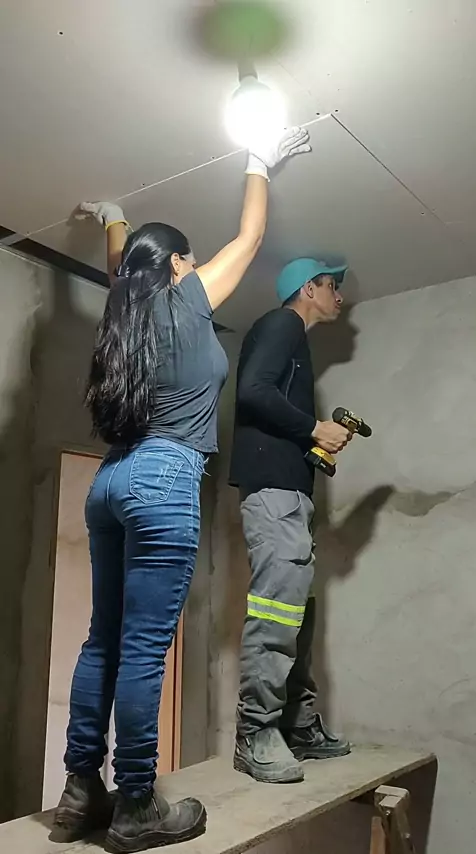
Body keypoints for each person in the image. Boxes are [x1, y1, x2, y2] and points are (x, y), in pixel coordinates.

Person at [52, 127, 311, 853]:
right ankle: (135, 803)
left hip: (111, 478)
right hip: (164, 475)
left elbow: (122, 266)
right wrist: (261, 157)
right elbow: (250, 237)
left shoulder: (126, 312)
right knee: (141, 649)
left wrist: (115, 217)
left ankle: (80, 792)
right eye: (190, 260)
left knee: (103, 640)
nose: (199, 268)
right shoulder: (186, 299)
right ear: (175, 266)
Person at [229, 257, 353, 784]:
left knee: (297, 609)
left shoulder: (294, 339)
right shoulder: (282, 323)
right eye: (332, 286)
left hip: (288, 495)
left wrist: (311, 444)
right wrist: (315, 429)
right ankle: (254, 733)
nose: (339, 296)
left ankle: (296, 726)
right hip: (275, 494)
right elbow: (253, 391)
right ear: (308, 288)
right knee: (278, 609)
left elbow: (269, 404)